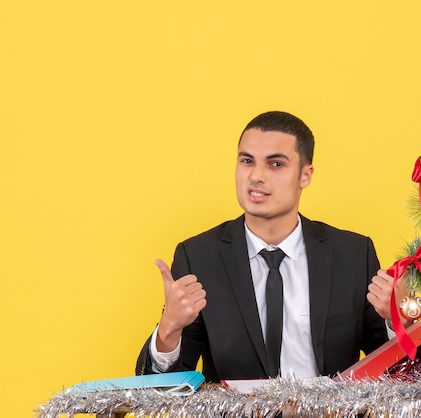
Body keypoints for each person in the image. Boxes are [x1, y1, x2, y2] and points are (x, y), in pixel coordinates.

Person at [136, 110, 403, 382]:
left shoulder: (353, 255)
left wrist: (397, 320)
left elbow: (392, 370)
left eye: (276, 164)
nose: (256, 176)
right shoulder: (199, 257)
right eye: (247, 161)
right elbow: (164, 388)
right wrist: (169, 327)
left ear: (305, 176)